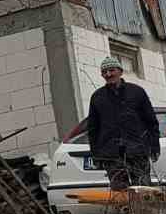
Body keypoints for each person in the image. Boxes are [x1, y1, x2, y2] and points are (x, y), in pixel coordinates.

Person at [65, 56, 160, 190]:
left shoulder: (137, 92)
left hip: (137, 151)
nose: (108, 74)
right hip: (111, 155)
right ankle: (125, 212)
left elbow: (151, 122)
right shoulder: (97, 97)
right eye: (104, 72)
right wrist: (96, 154)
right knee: (119, 193)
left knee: (142, 191)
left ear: (120, 71)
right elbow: (93, 129)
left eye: (111, 70)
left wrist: (154, 147)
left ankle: (142, 212)